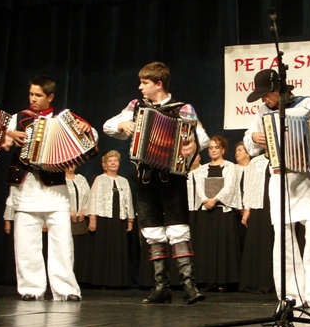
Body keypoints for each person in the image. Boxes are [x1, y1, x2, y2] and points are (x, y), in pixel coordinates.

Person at [103, 61, 208, 305]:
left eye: (144, 83)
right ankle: (162, 286)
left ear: (159, 84)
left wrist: (192, 144)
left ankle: (188, 285)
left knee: (178, 228)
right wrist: (122, 124)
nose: (140, 87)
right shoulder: (136, 106)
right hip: (145, 177)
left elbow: (201, 138)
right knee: (152, 230)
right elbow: (109, 126)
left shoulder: (183, 109)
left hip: (172, 178)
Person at [243, 68, 310, 309]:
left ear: (278, 89)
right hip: (280, 179)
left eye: (266, 94)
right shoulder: (263, 112)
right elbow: (248, 143)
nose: (264, 99)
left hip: (309, 180)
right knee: (283, 235)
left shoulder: (307, 104)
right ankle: (290, 294)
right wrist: (254, 138)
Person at [2, 74, 91, 301]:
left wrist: (85, 128)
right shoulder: (18, 118)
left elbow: (91, 137)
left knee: (62, 241)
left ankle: (65, 289)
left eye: (38, 95)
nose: (33, 99)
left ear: (50, 97)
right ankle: (31, 288)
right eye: (31, 94)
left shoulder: (64, 119)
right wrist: (9, 135)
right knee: (26, 241)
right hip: (26, 186)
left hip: (55, 189)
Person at [189, 136, 240, 291]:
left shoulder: (230, 167)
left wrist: (215, 199)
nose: (213, 150)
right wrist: (206, 200)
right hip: (206, 211)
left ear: (223, 150)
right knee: (207, 246)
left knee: (222, 246)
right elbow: (199, 187)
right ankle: (207, 280)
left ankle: (223, 281)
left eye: (216, 147)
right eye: (211, 148)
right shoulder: (202, 169)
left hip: (223, 212)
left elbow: (229, 186)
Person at [86, 150, 134, 288]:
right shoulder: (100, 179)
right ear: (105, 165)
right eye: (110, 161)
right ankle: (101, 281)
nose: (113, 163)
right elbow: (93, 198)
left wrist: (130, 220)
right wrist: (93, 219)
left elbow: (129, 200)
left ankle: (118, 282)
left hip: (119, 219)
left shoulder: (123, 181)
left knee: (118, 250)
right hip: (103, 219)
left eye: (115, 160)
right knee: (103, 249)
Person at [238, 151, 275, 294]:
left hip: (277, 205)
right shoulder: (256, 162)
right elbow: (249, 186)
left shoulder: (283, 158)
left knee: (275, 242)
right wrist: (247, 209)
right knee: (259, 242)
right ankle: (257, 282)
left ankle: (274, 283)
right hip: (259, 206)